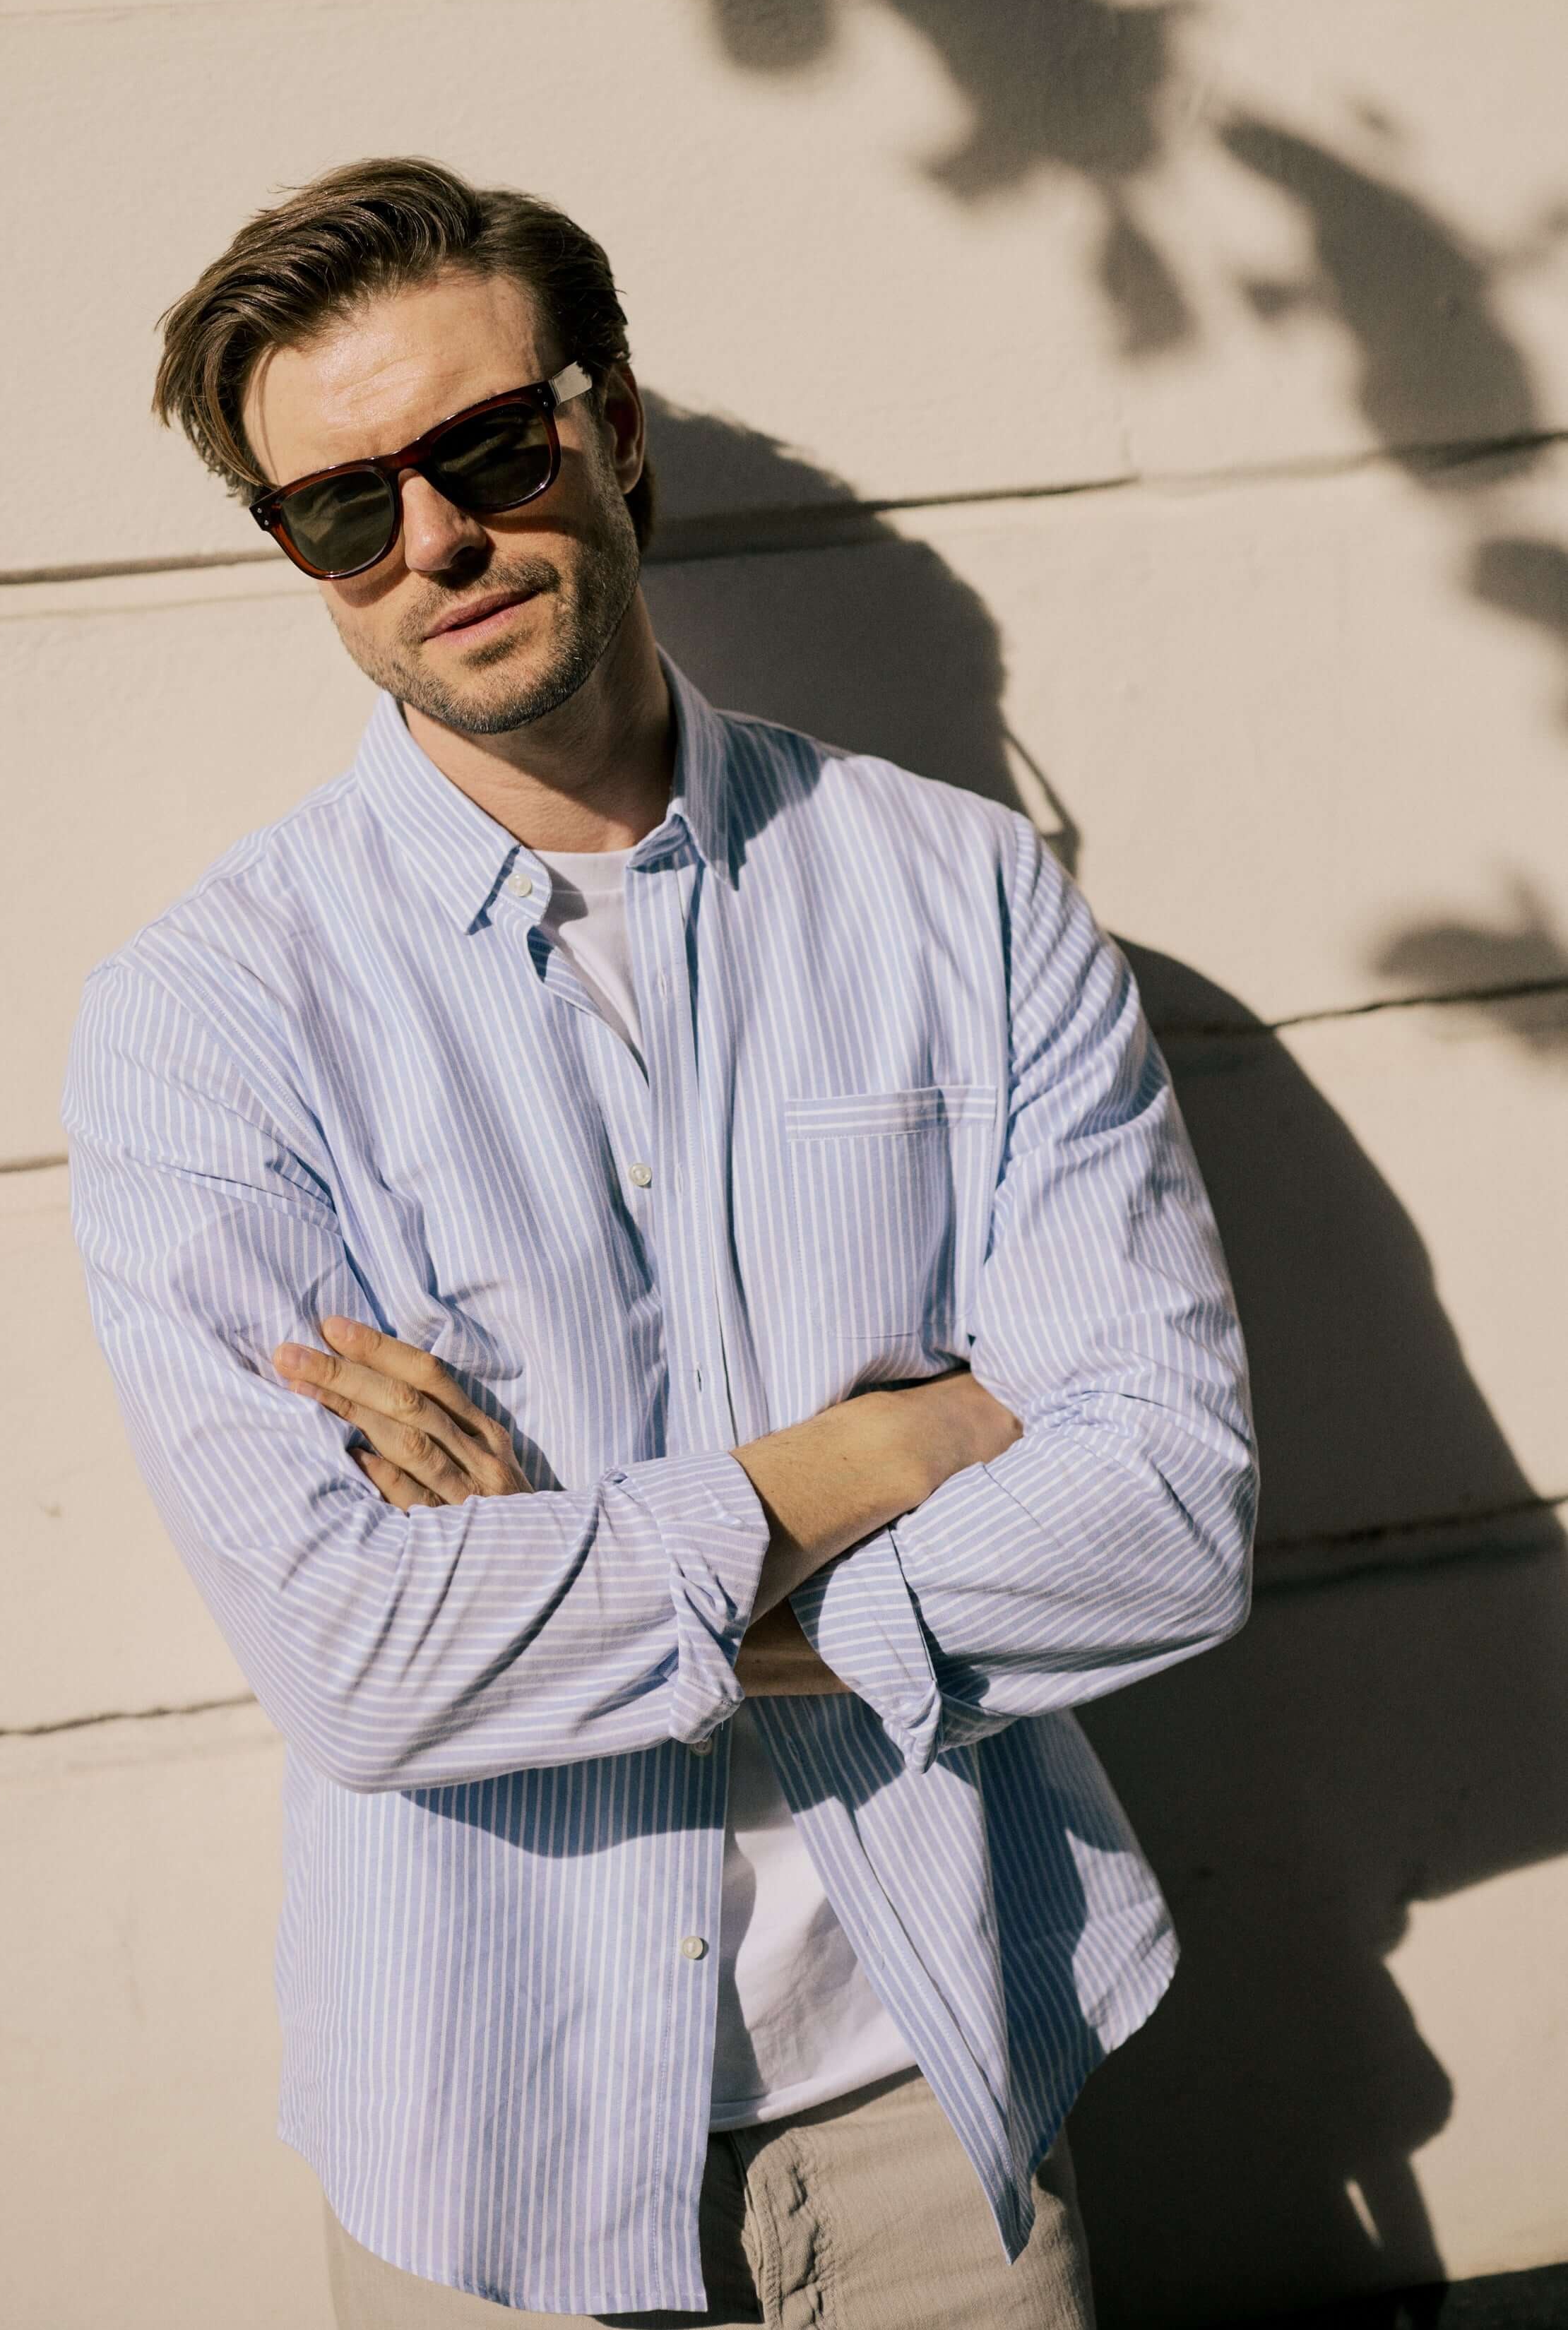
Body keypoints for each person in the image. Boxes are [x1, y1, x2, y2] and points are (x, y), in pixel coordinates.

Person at [64, 158, 1257, 2329]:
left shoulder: (957, 901)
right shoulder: (207, 1021)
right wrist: (870, 1461)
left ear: (610, 426)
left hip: (939, 2089)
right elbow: (360, 1658)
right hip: (487, 2132)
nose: (431, 540)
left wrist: (562, 1585)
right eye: (341, 507)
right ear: (294, 557)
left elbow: (1168, 1514)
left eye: (485, 449)